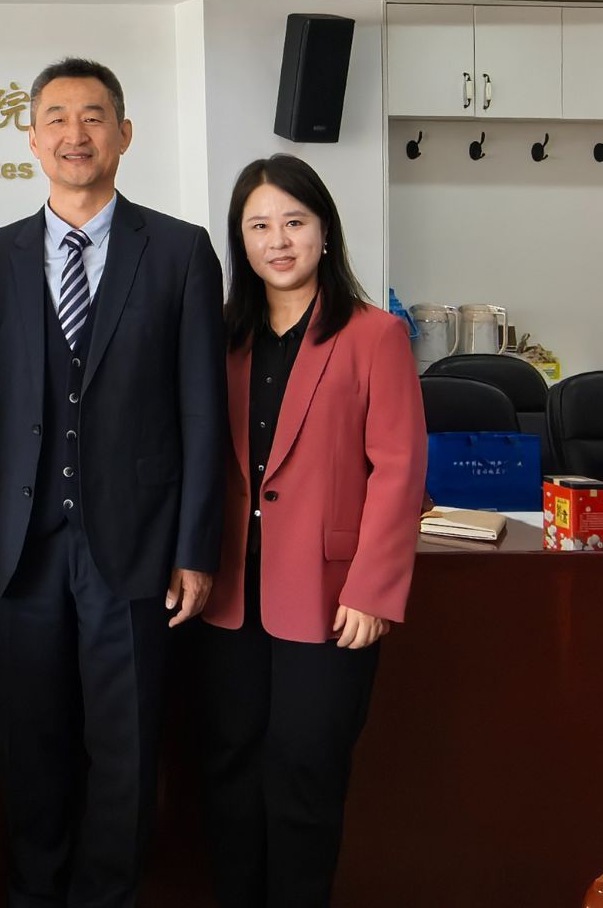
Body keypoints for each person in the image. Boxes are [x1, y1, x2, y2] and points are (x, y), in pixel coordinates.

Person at [0, 57, 225, 907]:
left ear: (124, 133)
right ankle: (36, 892)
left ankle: (107, 896)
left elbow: (201, 411)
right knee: (28, 742)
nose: (77, 134)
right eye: (59, 118)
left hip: (137, 542)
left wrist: (195, 547)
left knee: (127, 744)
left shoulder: (180, 250)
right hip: (19, 547)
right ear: (31, 137)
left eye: (95, 116)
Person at [196, 154, 425, 907]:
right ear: (241, 241)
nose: (278, 240)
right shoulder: (221, 339)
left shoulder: (374, 336)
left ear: (325, 232)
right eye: (258, 225)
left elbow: (398, 470)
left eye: (294, 222)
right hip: (227, 594)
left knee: (304, 773)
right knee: (229, 770)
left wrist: (374, 589)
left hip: (330, 600)